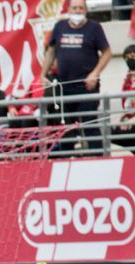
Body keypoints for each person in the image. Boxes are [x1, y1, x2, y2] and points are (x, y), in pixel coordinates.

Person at [41, 0, 112, 155]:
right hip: (64, 86)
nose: (78, 10)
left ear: (86, 10)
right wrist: (43, 73)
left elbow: (107, 53)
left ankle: (100, 160)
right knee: (66, 128)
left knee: (89, 125)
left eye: (81, 7)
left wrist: (95, 73)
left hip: (87, 86)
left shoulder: (94, 28)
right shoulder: (60, 27)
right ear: (68, 9)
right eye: (75, 7)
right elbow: (51, 51)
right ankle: (66, 161)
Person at [111, 45, 135, 153]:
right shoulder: (129, 78)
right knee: (113, 131)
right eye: (127, 58)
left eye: (132, 56)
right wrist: (122, 116)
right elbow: (128, 103)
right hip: (130, 118)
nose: (129, 60)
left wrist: (132, 120)